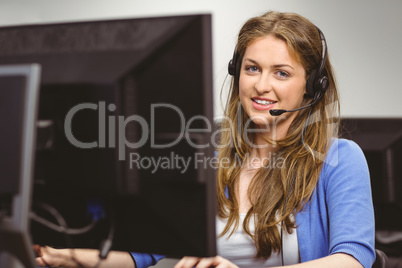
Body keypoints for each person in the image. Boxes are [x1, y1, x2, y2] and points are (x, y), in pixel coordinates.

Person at [35, 11, 375, 268]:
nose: (261, 85)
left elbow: (352, 259)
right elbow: (147, 247)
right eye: (252, 68)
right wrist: (73, 256)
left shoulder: (339, 158)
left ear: (312, 87)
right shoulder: (204, 150)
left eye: (281, 73)